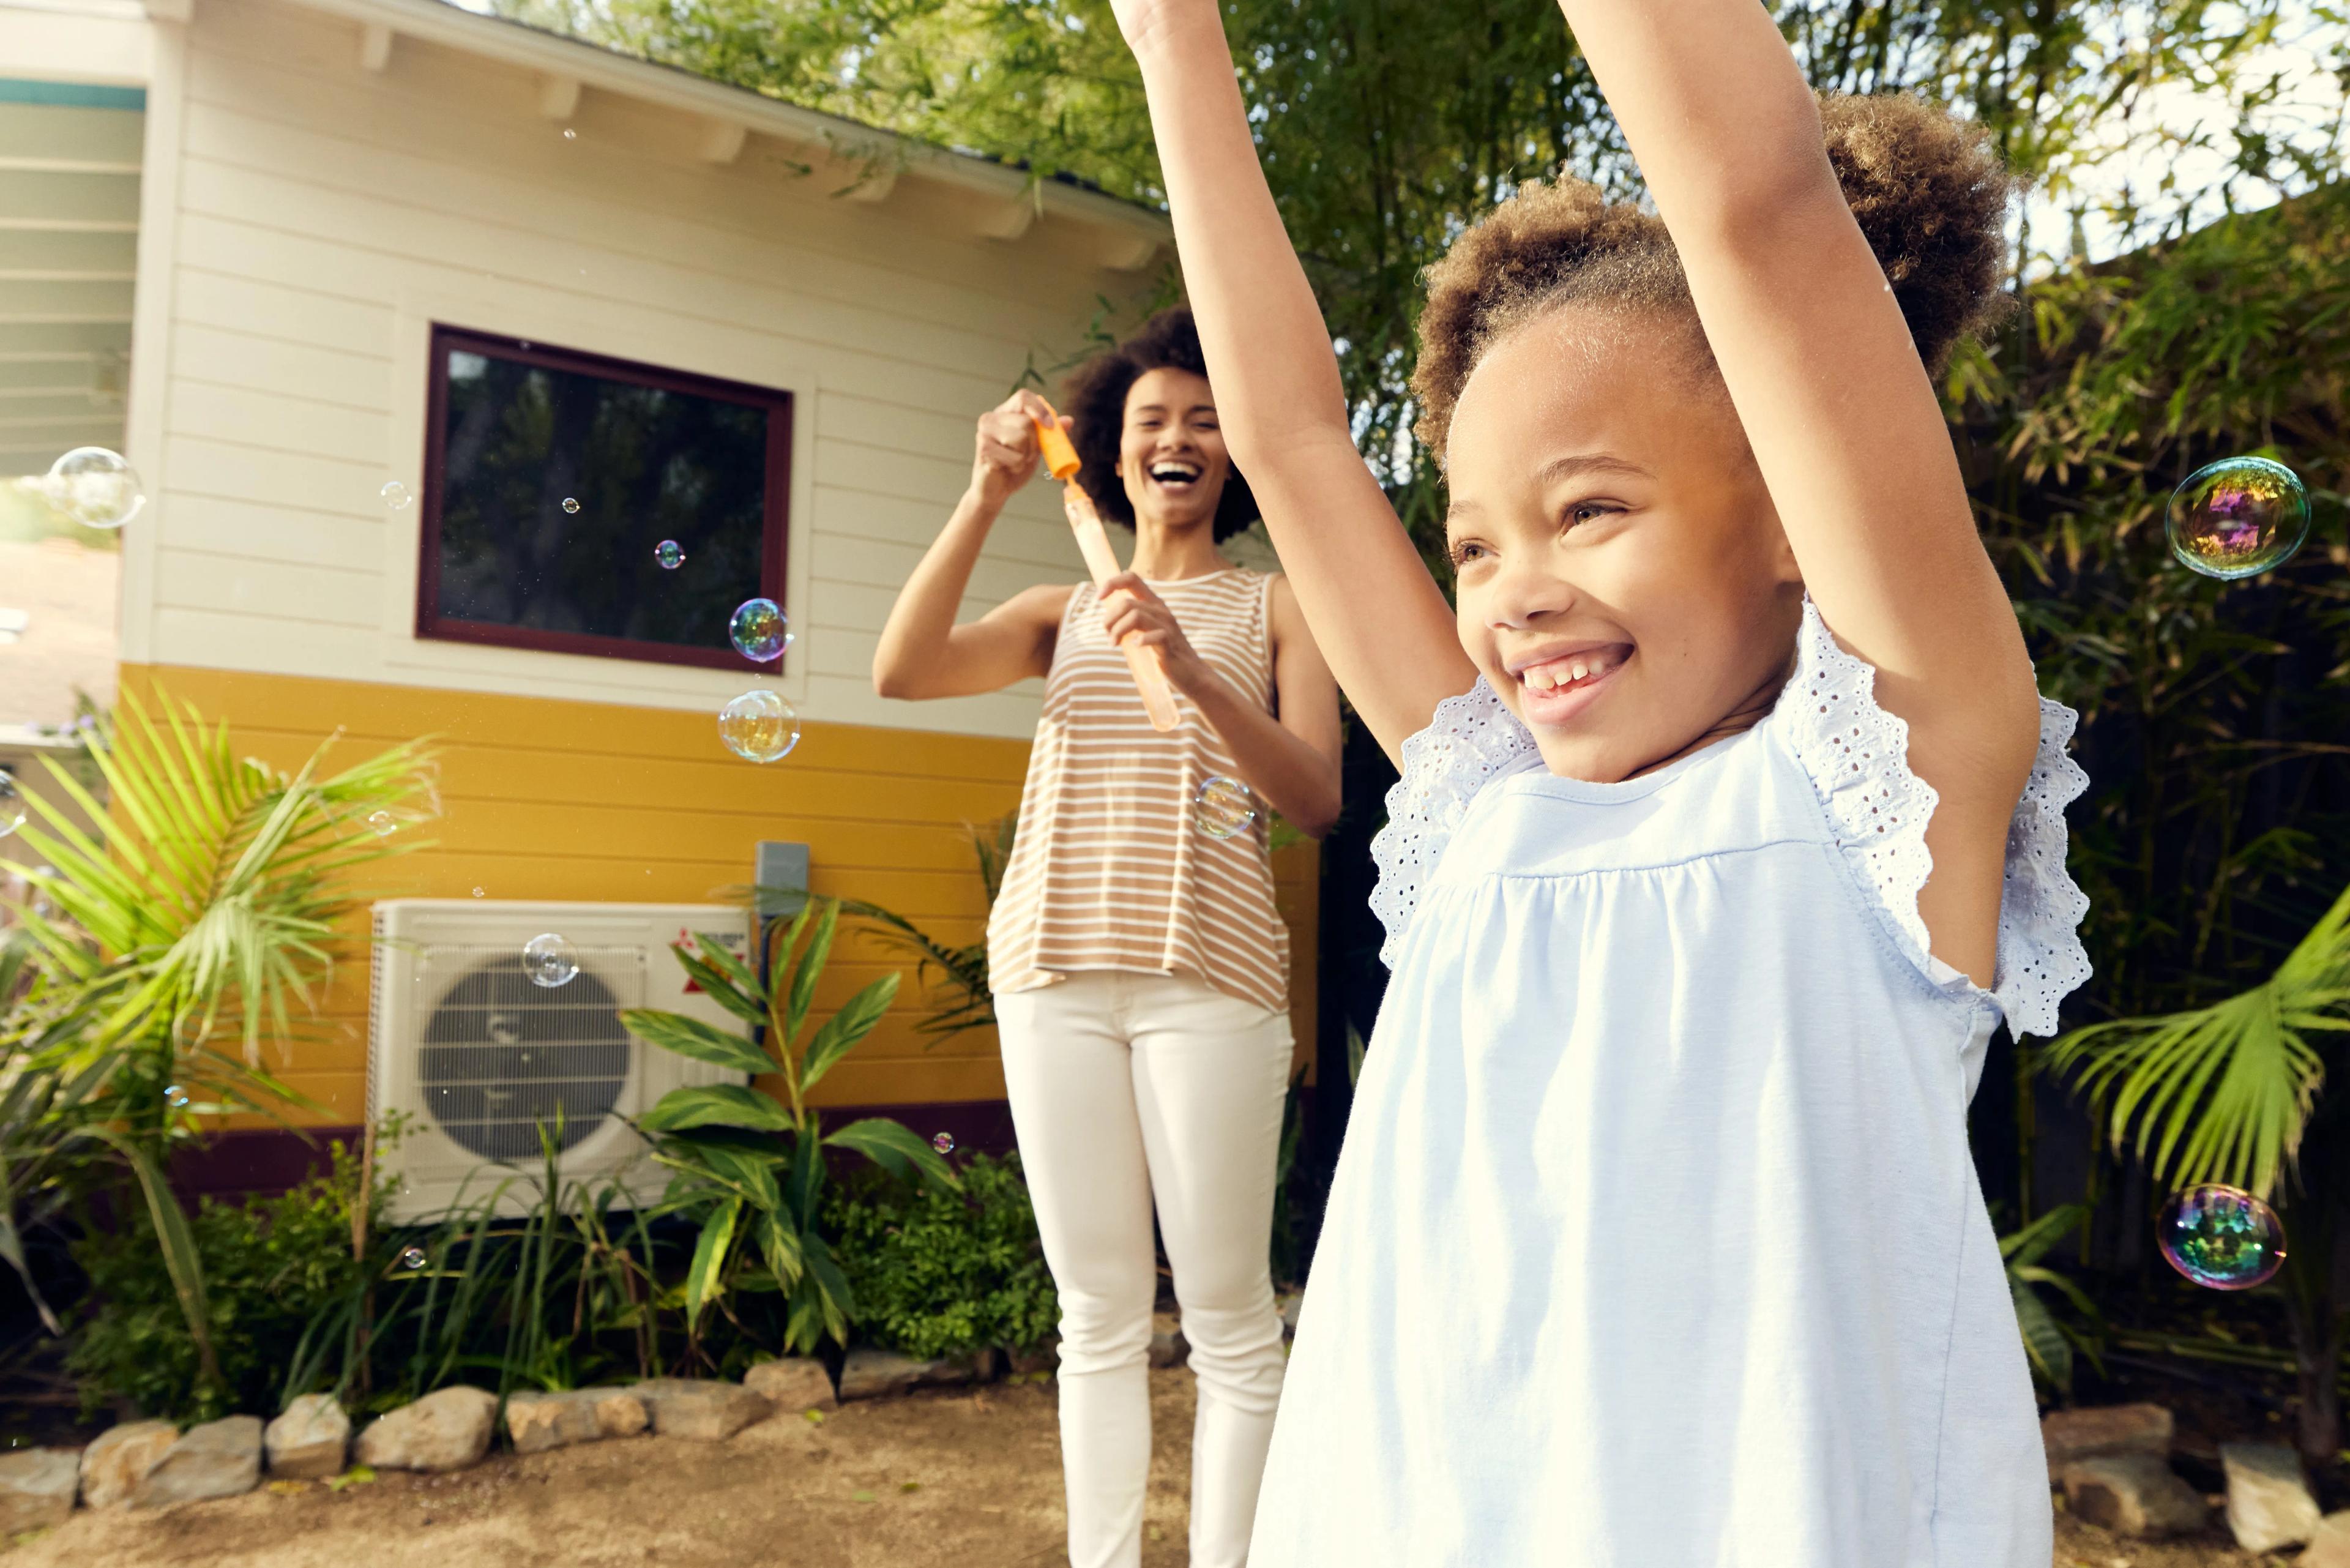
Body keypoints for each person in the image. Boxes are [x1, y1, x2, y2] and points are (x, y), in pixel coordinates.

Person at [1108, 0, 2093, 1560]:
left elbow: (1756, 203)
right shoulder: (1477, 807)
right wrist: (1173, 44)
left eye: (1590, 511)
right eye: (1477, 544)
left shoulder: (1883, 794)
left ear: (1791, 514)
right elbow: (1292, 440)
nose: (1510, 595)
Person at [871, 308, 1343, 1568]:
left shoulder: (1279, 609)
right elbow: (901, 672)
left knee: (1233, 1321)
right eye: (1151, 422)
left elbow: (1315, 800)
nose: (1177, 438)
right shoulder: (1059, 609)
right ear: (1111, 453)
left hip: (1216, 981)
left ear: (1230, 460)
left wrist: (1189, 671)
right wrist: (982, 496)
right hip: (1053, 973)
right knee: (1095, 1317)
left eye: (1203, 421)